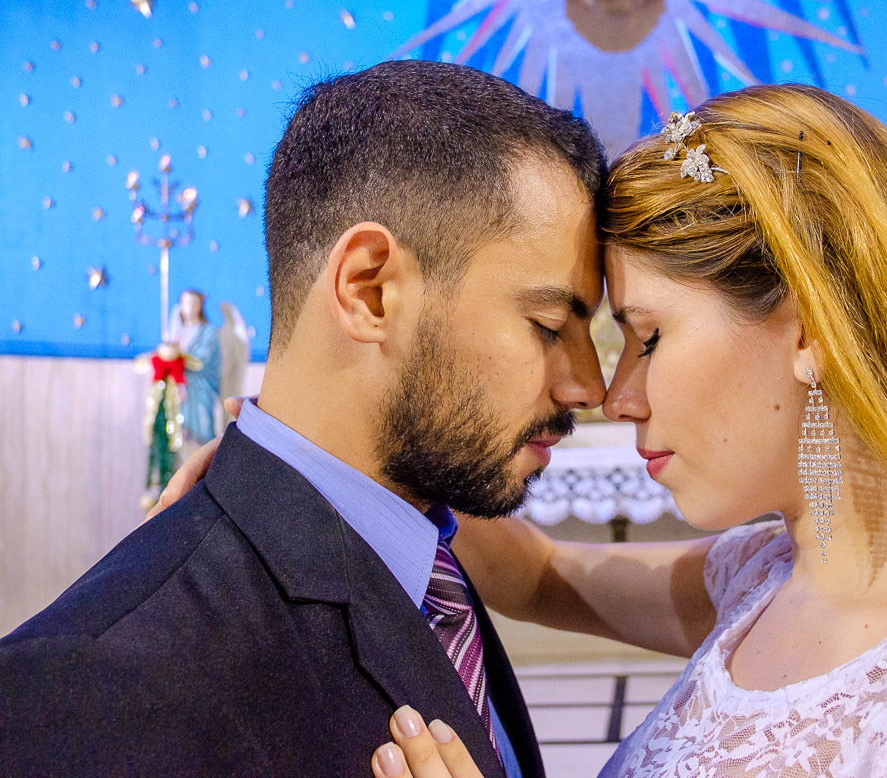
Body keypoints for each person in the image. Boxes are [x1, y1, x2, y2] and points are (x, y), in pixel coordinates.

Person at [368, 86, 887, 776]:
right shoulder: (767, 574)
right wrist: (323, 452)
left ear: (807, 333)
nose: (617, 398)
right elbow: (541, 575)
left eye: (648, 338)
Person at [0, 60, 607, 777]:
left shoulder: (428, 538)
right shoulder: (96, 684)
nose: (589, 387)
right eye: (545, 324)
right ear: (370, 291)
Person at [169, 288, 224, 446]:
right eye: (186, 303)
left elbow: (201, 360)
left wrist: (178, 357)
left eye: (194, 304)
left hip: (200, 387)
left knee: (202, 428)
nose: (190, 308)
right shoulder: (178, 331)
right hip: (181, 388)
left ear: (200, 306)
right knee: (179, 431)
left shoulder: (208, 332)